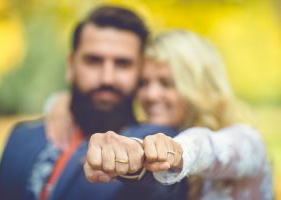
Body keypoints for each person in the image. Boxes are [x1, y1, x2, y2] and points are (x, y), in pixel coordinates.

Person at [0, 6, 183, 200]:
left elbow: (159, 182)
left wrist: (140, 163)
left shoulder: (161, 140)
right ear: (71, 65)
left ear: (140, 72)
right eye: (93, 61)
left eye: (123, 64)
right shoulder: (21, 138)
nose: (107, 78)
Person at [83, 30, 273, 199]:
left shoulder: (248, 141)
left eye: (166, 83)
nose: (151, 95)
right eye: (143, 83)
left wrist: (175, 151)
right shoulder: (145, 130)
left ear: (198, 86)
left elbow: (209, 149)